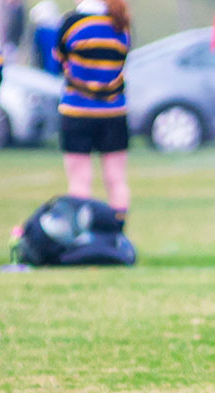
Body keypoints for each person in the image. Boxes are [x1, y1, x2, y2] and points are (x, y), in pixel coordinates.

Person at [55, 0, 131, 228]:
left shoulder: (72, 23)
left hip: (77, 111)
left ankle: (81, 237)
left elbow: (58, 61)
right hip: (114, 112)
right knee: (116, 179)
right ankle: (117, 235)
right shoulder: (120, 23)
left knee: (80, 181)